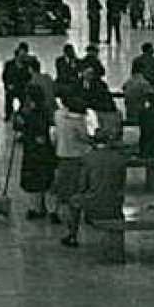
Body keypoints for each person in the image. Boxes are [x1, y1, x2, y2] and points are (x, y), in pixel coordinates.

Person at [61, 126, 128, 249]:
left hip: (93, 202)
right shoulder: (120, 158)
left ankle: (72, 235)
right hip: (114, 204)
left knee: (73, 201)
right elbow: (121, 183)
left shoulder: (89, 158)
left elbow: (82, 186)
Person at [16, 83, 56, 219]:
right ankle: (40, 206)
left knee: (36, 180)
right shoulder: (39, 110)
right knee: (41, 179)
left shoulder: (36, 112)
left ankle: (37, 208)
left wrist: (23, 123)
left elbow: (35, 128)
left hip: (36, 151)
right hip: (39, 149)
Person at [51, 89, 90, 226]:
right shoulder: (79, 122)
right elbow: (84, 138)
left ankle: (55, 211)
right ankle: (74, 215)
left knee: (62, 184)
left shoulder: (58, 115)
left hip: (61, 153)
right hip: (76, 155)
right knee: (77, 187)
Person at [1, 43, 33, 122]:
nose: (22, 57)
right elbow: (4, 76)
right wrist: (8, 85)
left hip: (23, 87)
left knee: (25, 98)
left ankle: (22, 113)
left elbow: (30, 77)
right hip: (12, 86)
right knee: (8, 97)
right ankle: (8, 114)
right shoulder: (9, 64)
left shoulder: (28, 64)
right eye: (20, 55)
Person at [123, 57, 154, 127]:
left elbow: (123, 87)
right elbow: (152, 95)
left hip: (129, 110)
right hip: (140, 112)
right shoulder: (143, 82)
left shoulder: (129, 81)